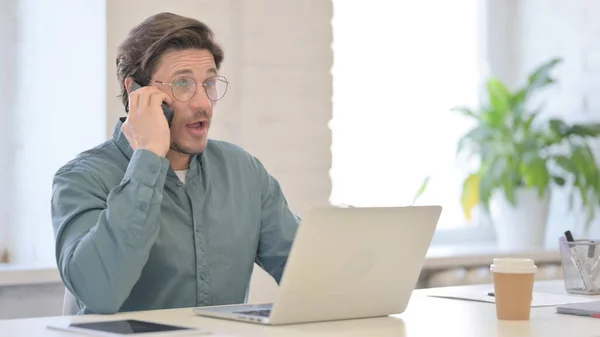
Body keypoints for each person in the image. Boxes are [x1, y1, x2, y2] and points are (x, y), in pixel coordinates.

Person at [50, 12, 300, 315]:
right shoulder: (83, 178)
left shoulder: (243, 171)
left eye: (209, 83)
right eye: (183, 83)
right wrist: (148, 158)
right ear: (136, 93)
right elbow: (100, 292)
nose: (203, 102)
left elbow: (308, 274)